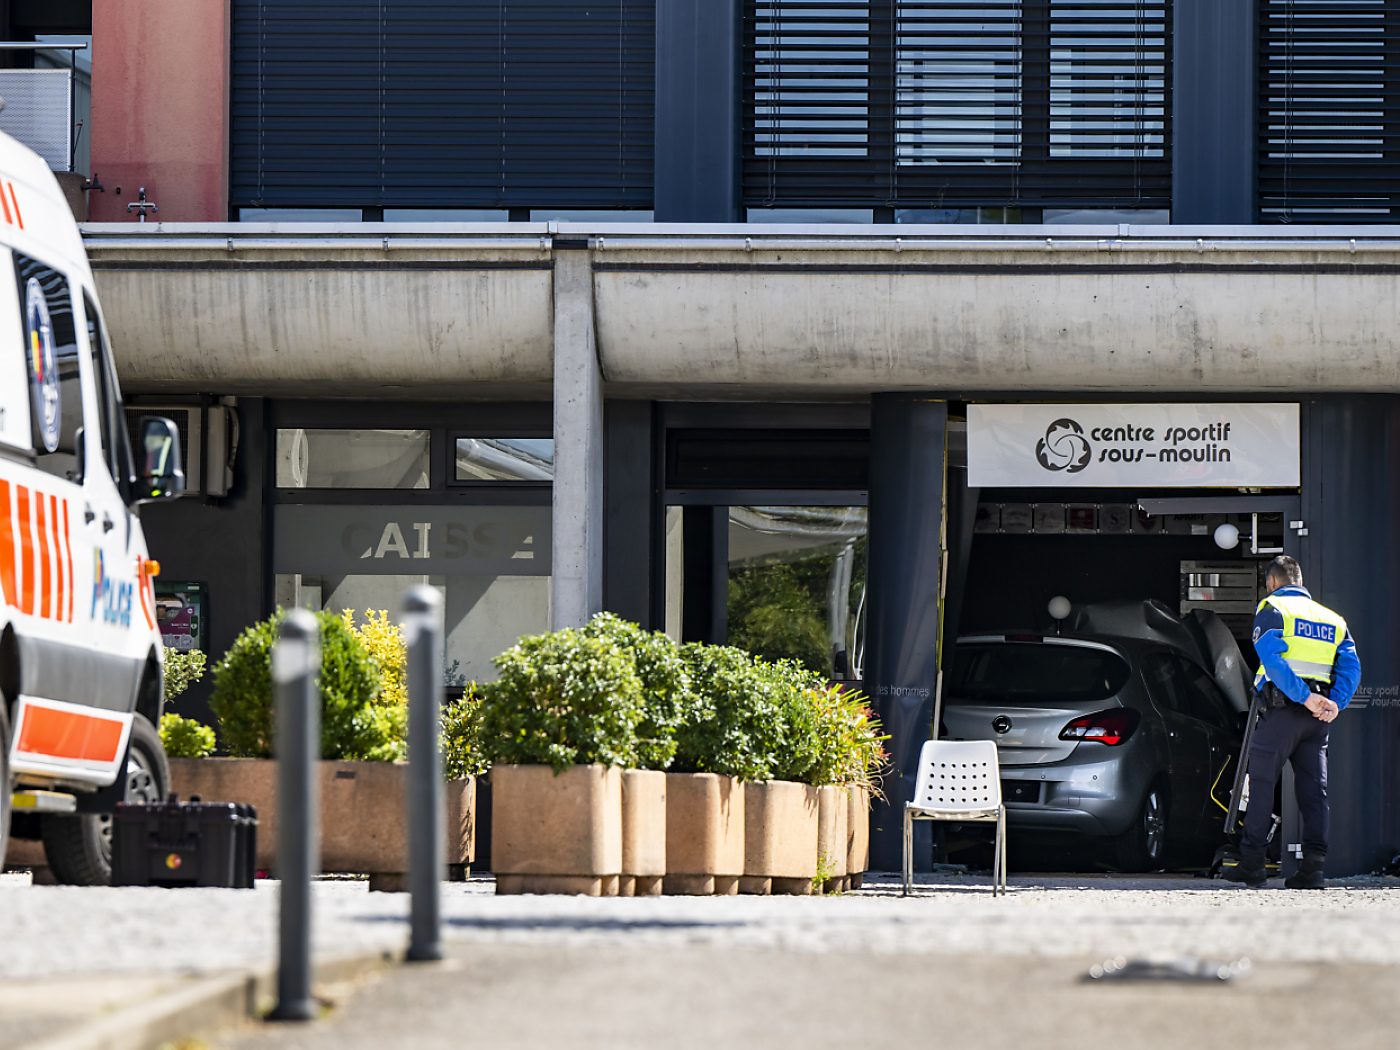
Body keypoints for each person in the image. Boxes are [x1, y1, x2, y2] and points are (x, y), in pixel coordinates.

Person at [1226, 556, 1361, 889]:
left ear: (1273, 582)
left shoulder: (1273, 608)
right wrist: (1335, 703)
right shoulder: (1333, 619)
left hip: (1283, 712)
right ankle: (1313, 869)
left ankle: (1252, 865)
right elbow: (1351, 667)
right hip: (1317, 720)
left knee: (1260, 785)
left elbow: (1271, 659)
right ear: (1300, 582)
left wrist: (1302, 696)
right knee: (1315, 793)